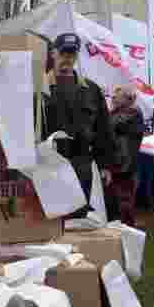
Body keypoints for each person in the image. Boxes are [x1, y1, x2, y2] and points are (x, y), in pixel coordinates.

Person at [41, 34, 117, 217]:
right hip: (51, 165)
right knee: (53, 220)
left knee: (79, 219)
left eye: (72, 54)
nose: (67, 58)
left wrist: (105, 164)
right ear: (53, 53)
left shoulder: (91, 89)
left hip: (82, 165)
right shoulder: (39, 89)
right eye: (63, 53)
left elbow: (103, 129)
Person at [105, 85, 145, 226]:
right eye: (113, 96)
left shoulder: (132, 112)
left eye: (116, 97)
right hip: (118, 165)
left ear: (128, 99)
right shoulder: (119, 113)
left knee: (125, 203)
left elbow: (108, 125)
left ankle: (127, 231)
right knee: (115, 202)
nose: (113, 99)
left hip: (124, 166)